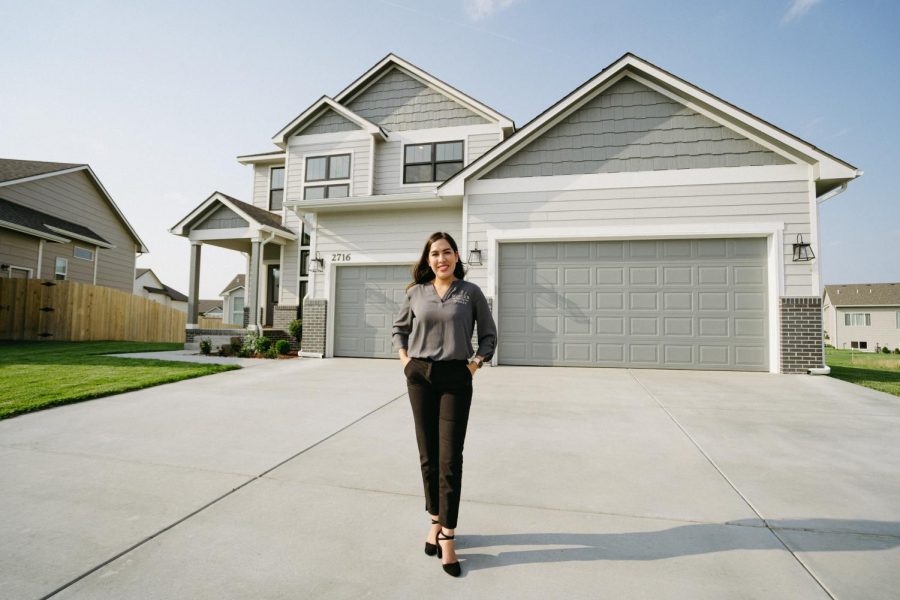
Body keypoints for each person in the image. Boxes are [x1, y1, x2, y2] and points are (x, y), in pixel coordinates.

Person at [392, 231, 497, 577]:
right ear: (427, 260)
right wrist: (406, 360)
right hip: (419, 376)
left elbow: (489, 335)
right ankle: (434, 521)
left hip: (455, 377)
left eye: (447, 252)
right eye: (435, 254)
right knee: (428, 455)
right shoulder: (415, 293)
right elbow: (399, 329)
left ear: (456, 257)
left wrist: (474, 364)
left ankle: (448, 536)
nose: (441, 259)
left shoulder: (470, 293)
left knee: (450, 457)